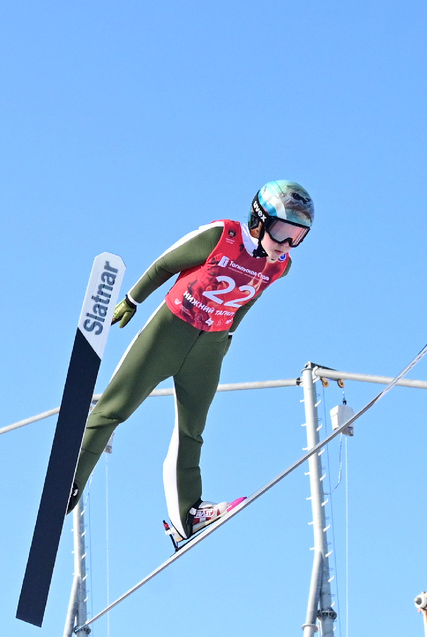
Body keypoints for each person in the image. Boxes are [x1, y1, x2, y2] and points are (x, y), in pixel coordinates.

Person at [68, 181, 315, 544]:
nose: (287, 243)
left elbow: (246, 301)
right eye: (282, 231)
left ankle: (187, 515)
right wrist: (133, 300)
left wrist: (227, 338)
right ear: (259, 219)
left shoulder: (280, 267)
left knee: (192, 430)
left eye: (298, 236)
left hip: (209, 347)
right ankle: (71, 479)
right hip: (170, 331)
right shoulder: (222, 236)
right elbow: (165, 264)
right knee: (115, 407)